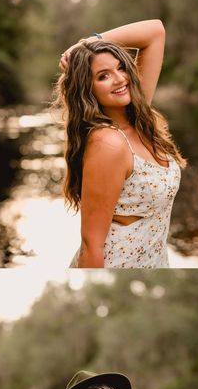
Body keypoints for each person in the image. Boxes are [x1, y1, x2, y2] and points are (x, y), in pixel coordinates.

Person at [55, 20, 185, 267]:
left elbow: (155, 31)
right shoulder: (108, 143)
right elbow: (91, 245)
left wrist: (89, 43)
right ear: (87, 90)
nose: (119, 79)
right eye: (103, 76)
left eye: (121, 67)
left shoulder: (138, 116)